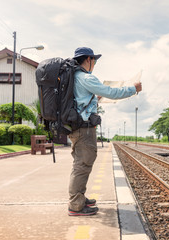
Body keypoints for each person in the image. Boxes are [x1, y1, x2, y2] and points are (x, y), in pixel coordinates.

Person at [68, 47, 142, 216]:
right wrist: (133, 88)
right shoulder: (85, 77)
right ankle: (75, 205)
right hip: (83, 128)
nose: (95, 63)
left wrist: (96, 98)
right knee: (82, 165)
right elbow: (111, 92)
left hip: (78, 127)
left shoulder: (76, 78)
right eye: (95, 60)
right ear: (88, 59)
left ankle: (79, 198)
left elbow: (82, 99)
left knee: (81, 163)